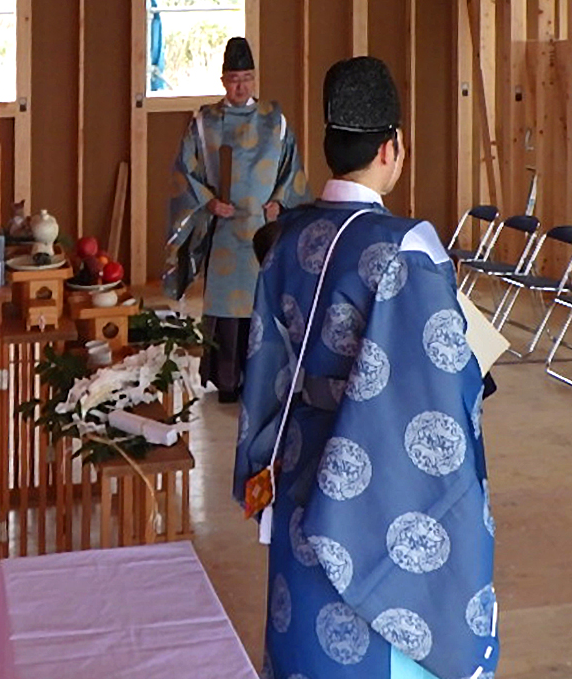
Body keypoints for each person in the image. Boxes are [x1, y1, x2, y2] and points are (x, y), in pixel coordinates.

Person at [234, 56, 497, 679]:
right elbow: (438, 378)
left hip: (298, 465)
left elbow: (265, 360)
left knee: (303, 631)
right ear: (391, 148)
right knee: (374, 643)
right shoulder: (405, 247)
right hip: (372, 488)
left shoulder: (288, 239)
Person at [164, 37, 309, 402]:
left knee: (263, 301)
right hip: (224, 231)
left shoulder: (274, 121)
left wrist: (279, 201)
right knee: (227, 309)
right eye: (233, 78)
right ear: (222, 80)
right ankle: (227, 381)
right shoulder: (204, 122)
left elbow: (293, 171)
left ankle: (263, 379)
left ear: (255, 78)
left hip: (263, 229)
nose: (240, 86)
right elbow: (184, 171)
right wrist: (209, 202)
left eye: (246, 78)